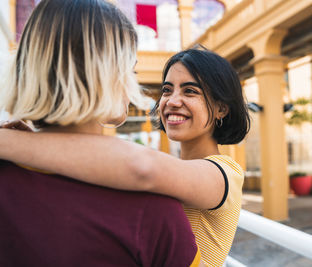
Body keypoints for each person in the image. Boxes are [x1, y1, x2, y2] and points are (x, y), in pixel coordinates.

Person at [0, 48, 250, 265]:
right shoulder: (173, 167)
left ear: (221, 108)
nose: (172, 101)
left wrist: (16, 142)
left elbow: (140, 167)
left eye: (190, 91)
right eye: (166, 89)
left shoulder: (225, 173)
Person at [0, 0, 203, 266]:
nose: (134, 77)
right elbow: (142, 167)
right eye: (130, 67)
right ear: (104, 73)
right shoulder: (152, 209)